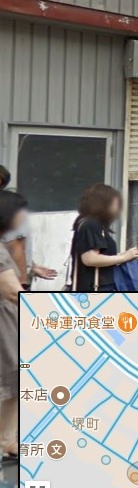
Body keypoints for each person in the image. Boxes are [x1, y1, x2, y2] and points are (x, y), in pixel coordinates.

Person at [69, 184, 138, 292]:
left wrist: (137, 253)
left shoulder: (93, 224)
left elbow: (104, 256)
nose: (118, 208)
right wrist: (124, 257)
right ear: (103, 204)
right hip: (95, 288)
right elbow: (90, 259)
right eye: (115, 204)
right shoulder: (91, 224)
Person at [0, 191, 31, 461]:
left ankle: (8, 440)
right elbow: (11, 290)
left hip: (9, 318)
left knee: (12, 381)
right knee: (8, 379)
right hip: (4, 321)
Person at [0, 165, 58, 289]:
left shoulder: (9, 204)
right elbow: (15, 246)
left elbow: (14, 245)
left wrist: (30, 265)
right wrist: (22, 284)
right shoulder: (10, 204)